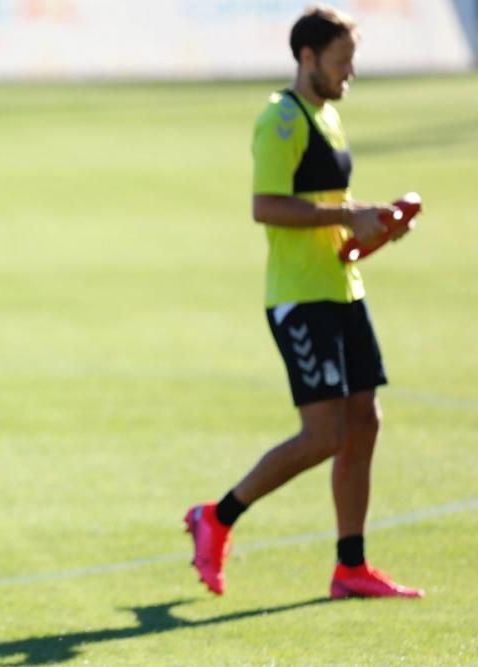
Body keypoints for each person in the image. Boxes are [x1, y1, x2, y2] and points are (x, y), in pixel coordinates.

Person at [184, 6, 422, 599]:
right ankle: (217, 517)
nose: (350, 73)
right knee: (324, 435)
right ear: (308, 57)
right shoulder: (280, 121)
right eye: (342, 61)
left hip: (341, 289)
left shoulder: (327, 117)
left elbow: (329, 216)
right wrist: (349, 215)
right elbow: (266, 206)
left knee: (364, 421)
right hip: (299, 298)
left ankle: (350, 566)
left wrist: (377, 227)